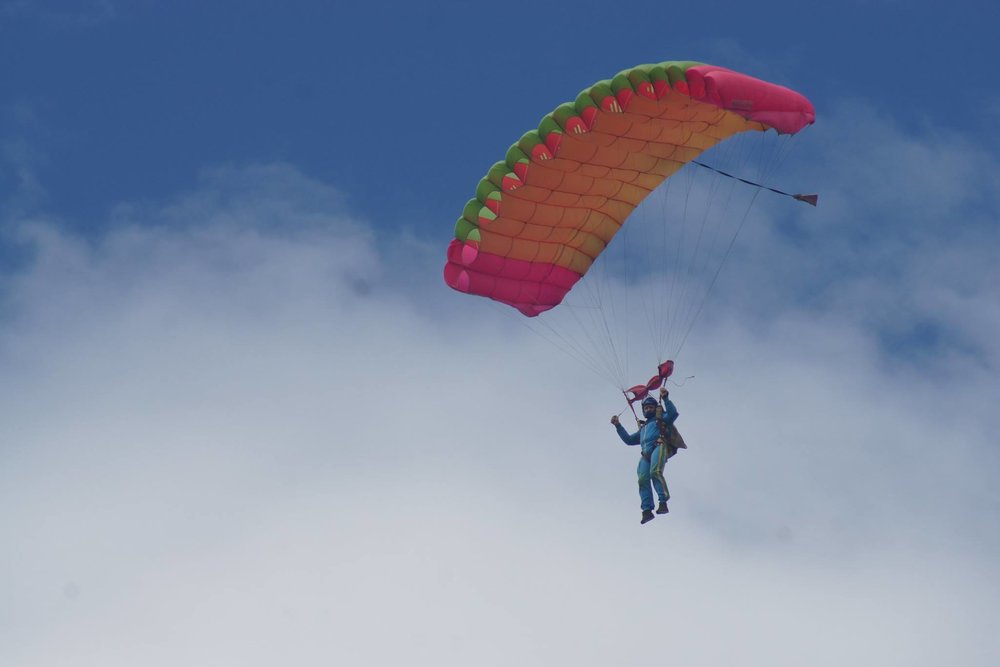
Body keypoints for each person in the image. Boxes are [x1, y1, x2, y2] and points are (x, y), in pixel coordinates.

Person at [611, 387, 679, 524]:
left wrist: (665, 398)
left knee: (655, 472)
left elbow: (673, 414)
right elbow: (629, 440)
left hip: (659, 446)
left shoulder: (661, 419)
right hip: (645, 455)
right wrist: (618, 426)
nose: (648, 409)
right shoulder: (643, 429)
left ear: (655, 408)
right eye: (646, 408)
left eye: (650, 407)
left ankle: (663, 502)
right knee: (642, 479)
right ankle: (647, 510)